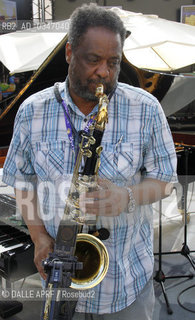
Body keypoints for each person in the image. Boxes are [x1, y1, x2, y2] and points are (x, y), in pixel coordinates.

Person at [2, 3, 177, 320]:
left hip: (127, 285)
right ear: (69, 52)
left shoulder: (145, 108)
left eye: (114, 62)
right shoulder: (32, 111)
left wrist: (127, 196)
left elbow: (165, 180)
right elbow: (23, 183)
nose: (105, 73)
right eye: (93, 60)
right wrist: (40, 239)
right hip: (61, 280)